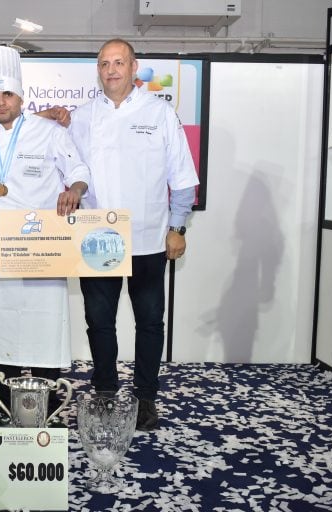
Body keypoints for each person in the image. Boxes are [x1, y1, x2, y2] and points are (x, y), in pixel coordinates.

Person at [68, 39, 199, 431]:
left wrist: (177, 227)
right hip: (96, 241)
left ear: (133, 66)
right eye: (104, 63)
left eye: (119, 62)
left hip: (147, 238)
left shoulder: (159, 113)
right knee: (99, 321)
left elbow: (183, 177)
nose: (111, 70)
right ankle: (106, 392)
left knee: (150, 321)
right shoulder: (82, 116)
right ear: (98, 69)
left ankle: (145, 397)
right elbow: (68, 165)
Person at [0, 46, 90, 427]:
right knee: (1, 321)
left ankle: (47, 404)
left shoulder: (49, 132)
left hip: (42, 241)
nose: (1, 102)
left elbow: (79, 170)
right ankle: (3, 405)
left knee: (44, 320)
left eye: (9, 95)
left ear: (22, 98)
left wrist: (76, 191)